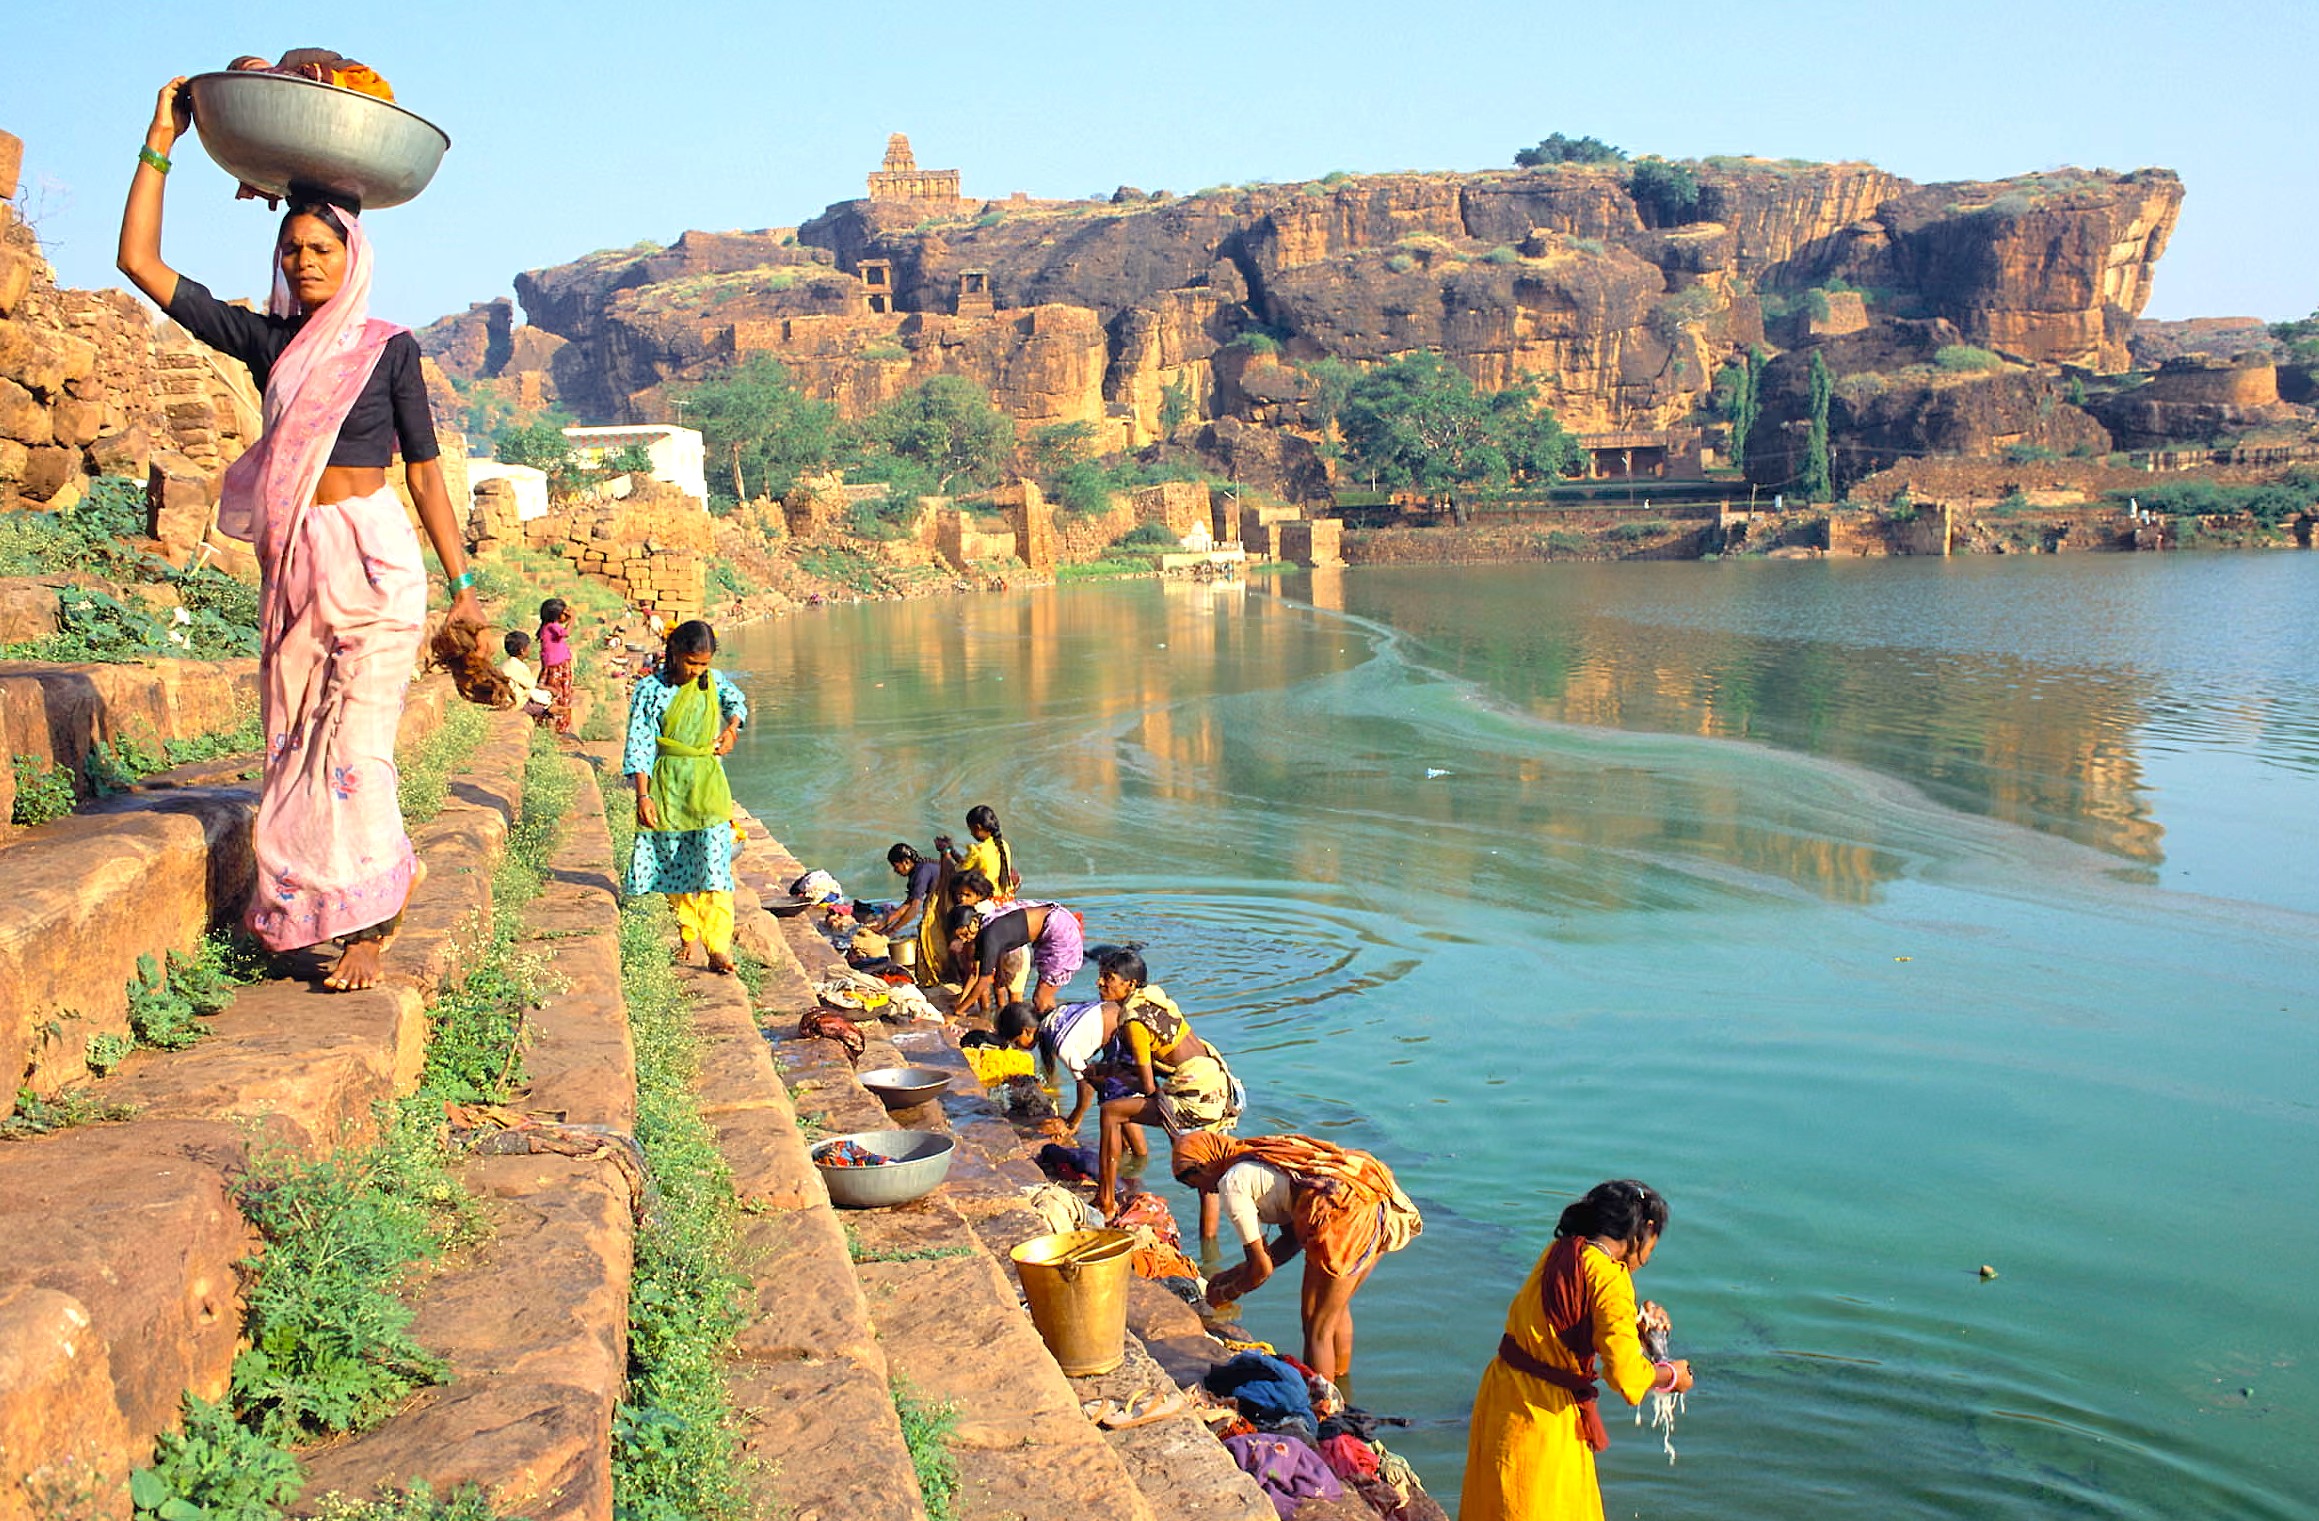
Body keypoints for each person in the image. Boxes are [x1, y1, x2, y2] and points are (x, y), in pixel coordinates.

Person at [117, 77, 482, 992]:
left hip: (376, 559)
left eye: (322, 247)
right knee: (298, 748)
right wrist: (160, 141)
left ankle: (374, 915)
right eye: (293, 248)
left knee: (356, 747)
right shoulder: (268, 342)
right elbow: (140, 263)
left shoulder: (388, 347)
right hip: (299, 563)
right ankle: (319, 896)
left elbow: (426, 470)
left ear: (351, 254)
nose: (306, 261)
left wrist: (463, 582)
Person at [1458, 1180, 1695, 1521]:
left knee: (1494, 1501)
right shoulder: (1611, 1280)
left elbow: (1576, 1317)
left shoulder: (1561, 1251)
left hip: (1502, 1393)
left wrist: (1640, 1325)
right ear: (1648, 1230)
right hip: (1544, 1414)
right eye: (1653, 1244)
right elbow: (1627, 1379)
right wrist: (1672, 1375)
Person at [1173, 1130, 1422, 1386]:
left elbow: (1261, 1270)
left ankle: (1325, 1410)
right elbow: (1291, 1241)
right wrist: (1234, 1273)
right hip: (1374, 1194)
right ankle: (1341, 1385)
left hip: (1343, 1213)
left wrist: (1226, 1292)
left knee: (1317, 1328)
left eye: (1197, 1186)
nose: (1205, 1192)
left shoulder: (1231, 1183)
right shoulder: (1260, 1154)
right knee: (1335, 1309)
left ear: (1203, 1166)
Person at [623, 620, 748, 974]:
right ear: (674, 653)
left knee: (716, 869)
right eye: (691, 663)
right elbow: (641, 744)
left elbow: (736, 701)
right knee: (674, 866)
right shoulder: (649, 690)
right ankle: (687, 933)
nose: (696, 671)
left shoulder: (714, 682)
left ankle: (718, 947)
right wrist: (642, 796)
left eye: (703, 664)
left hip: (707, 782)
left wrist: (732, 729)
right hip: (668, 784)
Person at [1093, 948, 1240, 1237]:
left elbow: (1149, 1088)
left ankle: (1106, 1201)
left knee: (1111, 1112)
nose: (1100, 984)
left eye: (1108, 978)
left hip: (1194, 1093)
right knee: (1207, 1168)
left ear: (1130, 984)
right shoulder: (1154, 997)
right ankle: (1209, 1252)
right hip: (1217, 1085)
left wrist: (1112, 1078)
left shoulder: (1133, 1020)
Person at [995, 996, 1124, 1137]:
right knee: (1115, 1104)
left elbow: (1086, 1086)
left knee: (1115, 1104)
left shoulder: (1060, 1042)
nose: (1017, 1047)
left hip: (1121, 1028)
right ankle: (1127, 1150)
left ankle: (1132, 1152)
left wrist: (1072, 1123)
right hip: (1114, 1017)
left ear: (1026, 1030)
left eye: (1015, 1042)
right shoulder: (1053, 1019)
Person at [947, 897, 1084, 1019]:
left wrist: (957, 1013)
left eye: (965, 934)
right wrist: (961, 1003)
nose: (965, 940)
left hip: (1060, 929)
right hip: (1054, 921)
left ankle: (1055, 1031)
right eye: (960, 937)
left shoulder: (990, 934)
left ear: (973, 923)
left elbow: (983, 981)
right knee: (1042, 998)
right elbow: (975, 972)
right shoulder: (988, 925)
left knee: (1041, 998)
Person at [859, 842, 944, 978]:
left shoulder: (921, 873)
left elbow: (914, 908)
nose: (895, 870)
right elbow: (907, 904)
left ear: (906, 862)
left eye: (896, 866)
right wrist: (886, 923)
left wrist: (891, 931)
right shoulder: (917, 871)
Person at [938, 804, 1017, 903]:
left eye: (971, 830)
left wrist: (946, 852)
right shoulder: (1004, 845)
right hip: (1006, 899)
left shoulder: (978, 851)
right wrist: (953, 851)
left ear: (977, 827)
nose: (971, 834)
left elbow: (957, 870)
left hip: (988, 902)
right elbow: (969, 863)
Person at [536, 598, 576, 734]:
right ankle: (558, 727)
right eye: (564, 613)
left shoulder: (546, 627)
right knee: (559, 695)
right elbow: (567, 633)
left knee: (558, 693)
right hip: (557, 666)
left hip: (556, 665)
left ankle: (555, 725)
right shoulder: (552, 626)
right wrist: (573, 619)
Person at [499, 630, 554, 720]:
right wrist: (550, 689)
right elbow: (531, 685)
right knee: (549, 709)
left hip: (508, 699)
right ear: (522, 651)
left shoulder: (507, 664)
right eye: (529, 647)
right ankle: (551, 730)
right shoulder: (516, 666)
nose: (530, 649)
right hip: (517, 702)